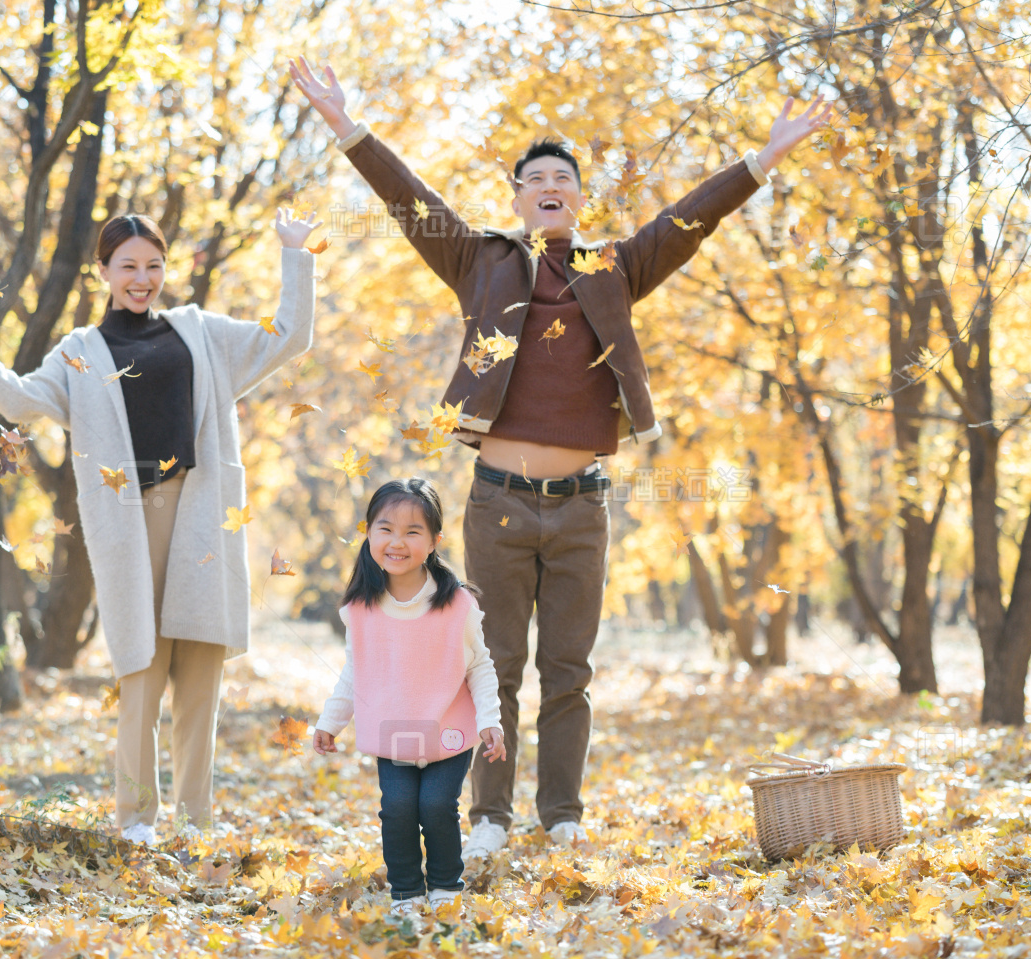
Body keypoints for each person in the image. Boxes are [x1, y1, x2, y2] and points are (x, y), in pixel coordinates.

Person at [290, 57, 831, 856]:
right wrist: (345, 123)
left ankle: (563, 813)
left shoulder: (612, 268)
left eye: (562, 178)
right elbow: (409, 204)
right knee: (494, 663)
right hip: (498, 503)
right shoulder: (480, 262)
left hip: (581, 504)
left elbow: (688, 219)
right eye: (534, 177)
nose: (549, 185)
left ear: (578, 200)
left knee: (569, 670)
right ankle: (491, 819)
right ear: (517, 200)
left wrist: (765, 158)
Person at [0, 208, 321, 845]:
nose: (142, 278)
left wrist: (295, 254)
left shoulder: (203, 333)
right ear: (103, 272)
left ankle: (196, 822)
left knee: (201, 677)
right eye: (128, 266)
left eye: (153, 265)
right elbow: (15, 397)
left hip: (203, 513)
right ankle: (137, 822)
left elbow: (289, 336)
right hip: (131, 523)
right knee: (141, 673)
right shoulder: (80, 353)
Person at [312, 478, 507, 918]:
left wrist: (489, 721)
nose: (397, 542)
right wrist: (330, 721)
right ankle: (406, 893)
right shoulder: (361, 607)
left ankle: (444, 886)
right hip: (392, 732)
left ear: (435, 540)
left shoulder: (456, 604)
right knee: (398, 808)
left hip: (448, 728)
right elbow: (353, 672)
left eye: (412, 531)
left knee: (437, 805)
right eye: (386, 528)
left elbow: (480, 665)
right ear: (369, 533)